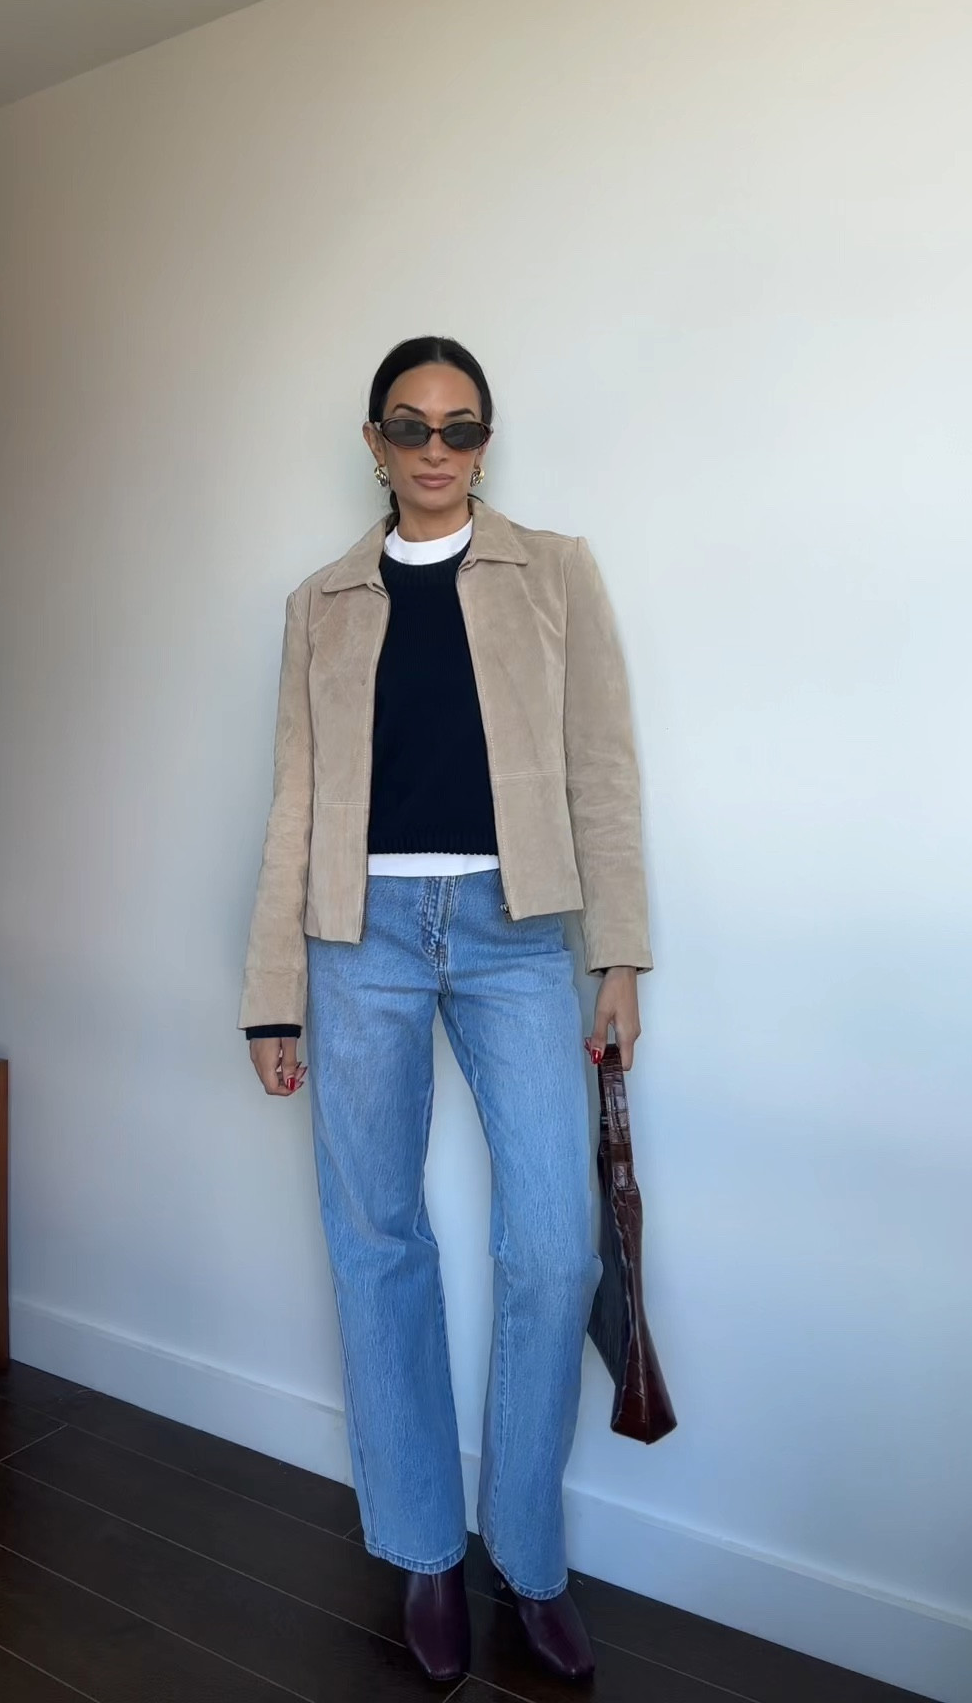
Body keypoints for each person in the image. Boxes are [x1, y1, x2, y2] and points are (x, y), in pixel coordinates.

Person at [240, 336, 651, 1683]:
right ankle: (422, 1547)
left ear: (485, 442)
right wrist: (273, 999)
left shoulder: (555, 573)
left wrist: (619, 957)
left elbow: (601, 769)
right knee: (378, 1239)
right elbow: (295, 802)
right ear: (375, 443)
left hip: (515, 933)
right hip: (356, 937)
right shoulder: (321, 602)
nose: (435, 449)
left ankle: (526, 1556)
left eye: (460, 427)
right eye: (410, 427)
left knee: (555, 1248)